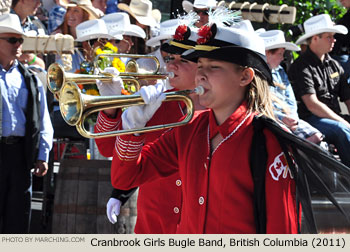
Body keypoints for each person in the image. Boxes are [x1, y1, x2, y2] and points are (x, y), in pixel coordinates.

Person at [109, 23, 298, 233]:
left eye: (213, 66)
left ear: (244, 76)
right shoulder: (188, 129)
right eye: (199, 65)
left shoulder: (271, 140)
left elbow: (282, 229)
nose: (201, 75)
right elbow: (125, 178)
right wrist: (133, 129)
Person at [94, 23, 205, 233]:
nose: (171, 66)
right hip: (155, 223)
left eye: (182, 60)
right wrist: (111, 106)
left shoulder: (218, 110)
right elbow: (108, 148)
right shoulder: (158, 101)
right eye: (170, 58)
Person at [0, 14, 53, 233]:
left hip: (20, 154)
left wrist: (43, 154)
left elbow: (43, 119)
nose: (18, 45)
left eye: (20, 40)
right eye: (12, 40)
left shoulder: (29, 78)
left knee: (19, 217)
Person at [289, 14, 350, 168]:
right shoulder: (302, 66)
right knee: (341, 130)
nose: (334, 40)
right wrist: (343, 121)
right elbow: (312, 104)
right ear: (315, 38)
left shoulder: (335, 65)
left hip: (332, 118)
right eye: (329, 36)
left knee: (342, 128)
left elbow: (347, 98)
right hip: (310, 119)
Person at [259, 29, 324, 144]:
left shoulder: (280, 71)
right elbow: (259, 106)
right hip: (271, 119)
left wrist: (292, 117)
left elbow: (290, 98)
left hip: (288, 118)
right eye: (279, 54)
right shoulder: (258, 75)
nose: (282, 58)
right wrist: (281, 118)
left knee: (317, 137)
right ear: (267, 53)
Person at [331, 0, 350, 75]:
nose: (340, 1)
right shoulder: (347, 15)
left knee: (334, 78)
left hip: (343, 59)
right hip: (339, 58)